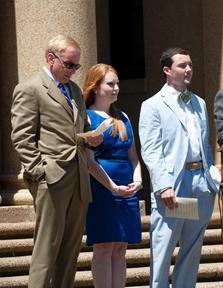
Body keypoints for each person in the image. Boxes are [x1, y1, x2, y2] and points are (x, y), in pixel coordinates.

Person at [10, 34, 102, 288]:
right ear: (51, 58)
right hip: (51, 178)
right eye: (69, 65)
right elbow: (22, 137)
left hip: (78, 178)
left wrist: (89, 139)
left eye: (76, 66)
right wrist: (40, 172)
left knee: (70, 251)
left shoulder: (73, 90)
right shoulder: (30, 89)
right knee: (46, 251)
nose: (73, 71)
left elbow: (76, 130)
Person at [139, 47, 220, 288]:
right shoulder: (153, 105)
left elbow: (204, 144)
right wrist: (163, 185)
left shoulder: (199, 102)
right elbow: (151, 150)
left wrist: (211, 177)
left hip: (200, 182)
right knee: (164, 247)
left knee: (192, 248)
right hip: (175, 183)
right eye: (182, 65)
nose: (188, 70)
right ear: (167, 70)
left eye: (190, 65)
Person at [83, 64, 142, 288]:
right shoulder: (87, 117)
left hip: (127, 188)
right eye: (110, 83)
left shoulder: (123, 116)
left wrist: (138, 180)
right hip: (102, 188)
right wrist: (111, 187)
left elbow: (134, 157)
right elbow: (89, 162)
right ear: (95, 87)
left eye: (117, 83)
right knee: (104, 246)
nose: (116, 88)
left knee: (120, 247)